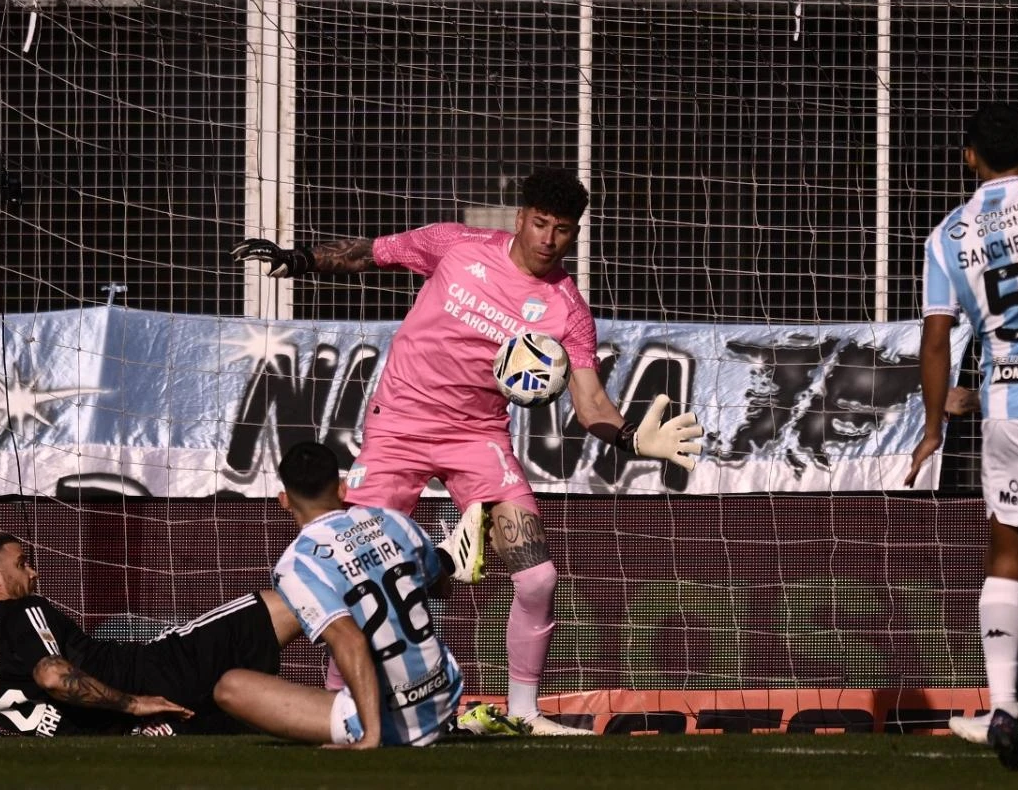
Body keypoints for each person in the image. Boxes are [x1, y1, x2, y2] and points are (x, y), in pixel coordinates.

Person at [232, 167, 703, 735]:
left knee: (538, 578)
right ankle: (345, 708)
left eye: (562, 230)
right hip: (399, 425)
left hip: (477, 438)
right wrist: (303, 258)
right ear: (520, 216)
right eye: (539, 223)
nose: (547, 240)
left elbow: (590, 405)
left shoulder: (567, 310)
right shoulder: (455, 246)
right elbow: (370, 254)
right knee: (359, 571)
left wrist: (631, 437)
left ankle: (525, 713)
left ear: (575, 233)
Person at [0, 531, 302, 737]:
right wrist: (135, 703)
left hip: (131, 736)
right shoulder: (22, 611)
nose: (34, 572)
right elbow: (52, 675)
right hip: (154, 673)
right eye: (23, 562)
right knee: (283, 603)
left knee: (258, 719)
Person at [905, 101, 1018, 770]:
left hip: (1008, 406)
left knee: (1009, 552)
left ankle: (1004, 706)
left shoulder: (949, 234)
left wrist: (931, 428)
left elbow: (935, 341)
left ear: (969, 156)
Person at [213, 440, 469, 747]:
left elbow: (350, 640)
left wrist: (370, 737)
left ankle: (368, 730)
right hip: (445, 691)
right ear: (343, 488)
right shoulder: (397, 522)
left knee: (230, 687)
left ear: (284, 500)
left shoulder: (296, 565)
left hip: (391, 720)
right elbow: (442, 588)